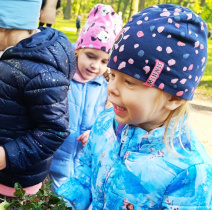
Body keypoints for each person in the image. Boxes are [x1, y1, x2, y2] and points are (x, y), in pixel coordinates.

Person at [57, 4, 212, 209]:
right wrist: (62, 203)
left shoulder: (189, 172)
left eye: (129, 82)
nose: (111, 88)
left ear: (174, 97)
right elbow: (84, 175)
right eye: (112, 75)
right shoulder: (105, 123)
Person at [0, 0, 76, 209]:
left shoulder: (39, 72)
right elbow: (1, 104)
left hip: (17, 182)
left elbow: (54, 130)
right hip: (0, 171)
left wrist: (9, 154)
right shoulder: (4, 55)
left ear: (3, 22)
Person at [49, 4, 122, 193]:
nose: (95, 66)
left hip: (83, 162)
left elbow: (109, 119)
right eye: (91, 56)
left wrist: (95, 132)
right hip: (54, 159)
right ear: (78, 50)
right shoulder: (61, 80)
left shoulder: (105, 87)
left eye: (104, 61)